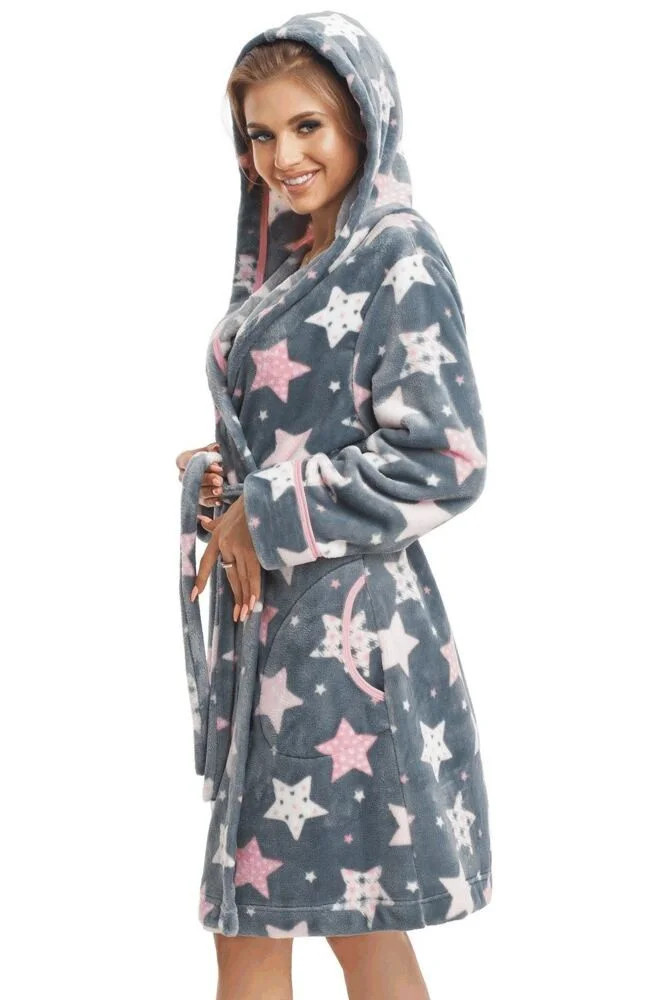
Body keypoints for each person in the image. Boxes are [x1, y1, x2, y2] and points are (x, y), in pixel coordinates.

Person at [176, 11, 493, 999]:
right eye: (261, 134)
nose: (283, 157)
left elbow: (445, 457)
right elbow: (313, 435)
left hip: (348, 642)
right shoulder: (296, 262)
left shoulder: (397, 253)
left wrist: (268, 510)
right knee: (307, 921)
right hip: (280, 630)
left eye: (307, 126)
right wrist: (229, 481)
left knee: (293, 921)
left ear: (365, 118)